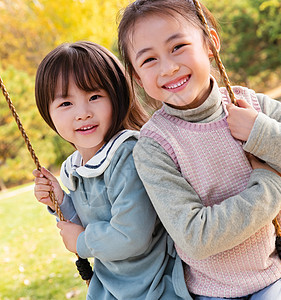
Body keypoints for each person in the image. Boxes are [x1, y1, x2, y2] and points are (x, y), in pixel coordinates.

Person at [117, 0, 281, 299]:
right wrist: (271, 188)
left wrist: (260, 132)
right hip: (215, 288)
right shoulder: (154, 146)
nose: (169, 67)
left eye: (178, 47)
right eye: (148, 60)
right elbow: (195, 237)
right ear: (137, 77)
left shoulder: (253, 107)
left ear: (210, 43)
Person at [32, 41, 194, 300]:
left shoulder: (127, 154)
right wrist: (61, 201)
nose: (83, 113)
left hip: (155, 286)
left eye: (94, 97)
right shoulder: (78, 166)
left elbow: (132, 235)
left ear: (115, 96)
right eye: (66, 104)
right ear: (48, 113)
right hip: (113, 286)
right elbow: (91, 223)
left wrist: (82, 242)